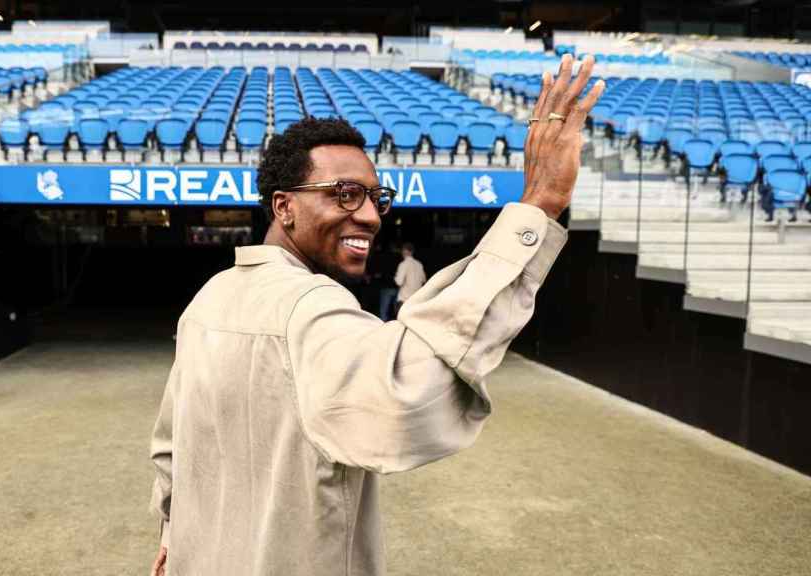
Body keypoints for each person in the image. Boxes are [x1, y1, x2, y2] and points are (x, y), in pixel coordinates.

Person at [149, 54, 604, 576]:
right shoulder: (312, 306)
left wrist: (172, 530)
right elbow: (411, 390)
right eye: (344, 194)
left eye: (374, 197)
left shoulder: (207, 299)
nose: (368, 214)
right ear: (283, 207)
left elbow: (170, 451)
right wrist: (539, 205)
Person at [393, 241, 426, 316]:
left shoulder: (403, 264)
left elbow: (399, 282)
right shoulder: (419, 264)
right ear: (412, 251)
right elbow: (424, 280)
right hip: (416, 300)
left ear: (404, 251)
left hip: (404, 301)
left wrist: (395, 277)